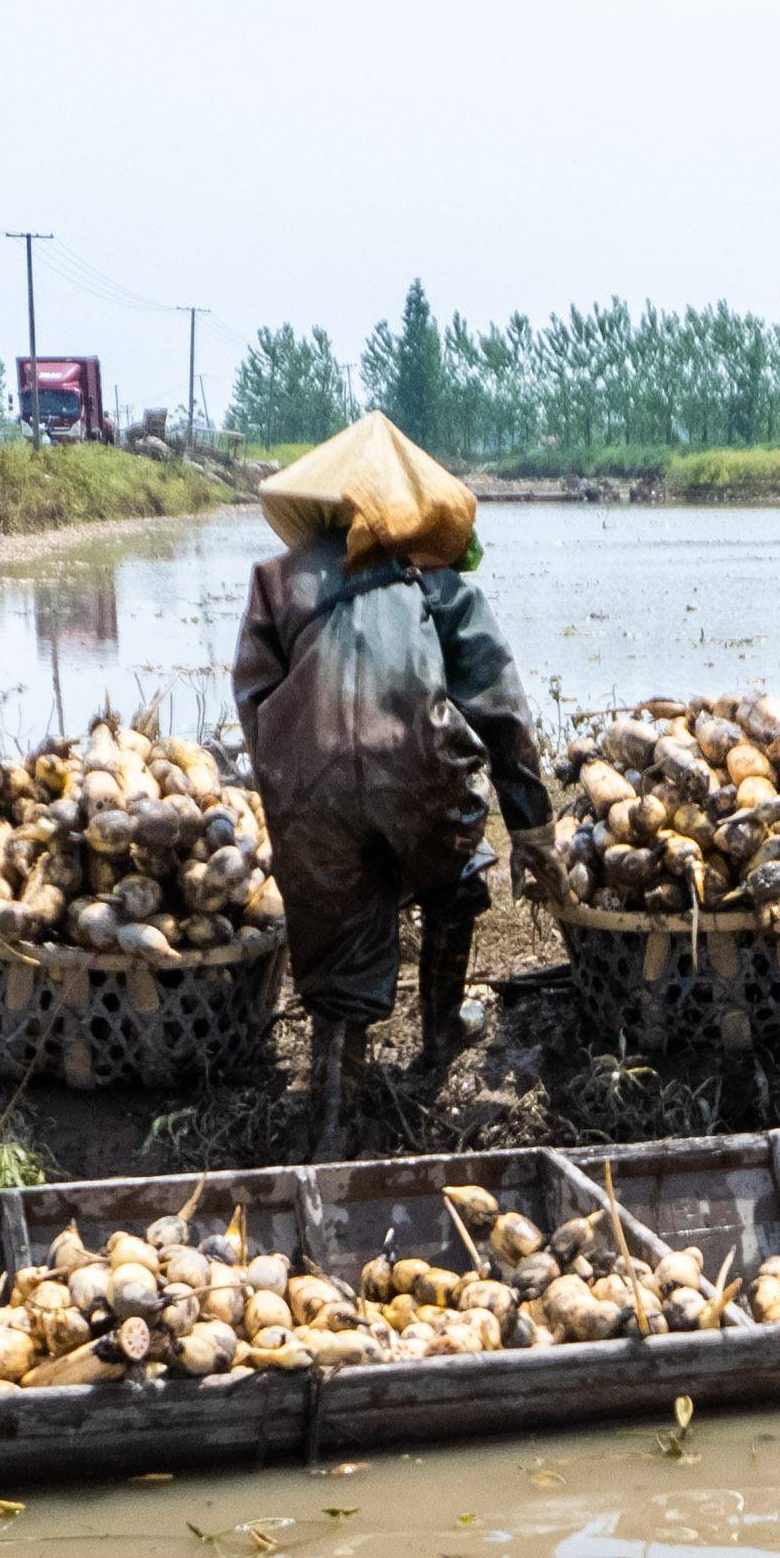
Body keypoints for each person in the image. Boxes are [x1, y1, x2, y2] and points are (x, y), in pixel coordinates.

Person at [232, 411, 558, 1139]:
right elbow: (502, 712)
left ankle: (332, 1121)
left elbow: (255, 702)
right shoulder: (440, 587)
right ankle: (440, 1037)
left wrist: (291, 786)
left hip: (310, 790)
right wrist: (532, 829)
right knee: (457, 874)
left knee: (337, 937)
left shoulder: (276, 581)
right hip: (419, 780)